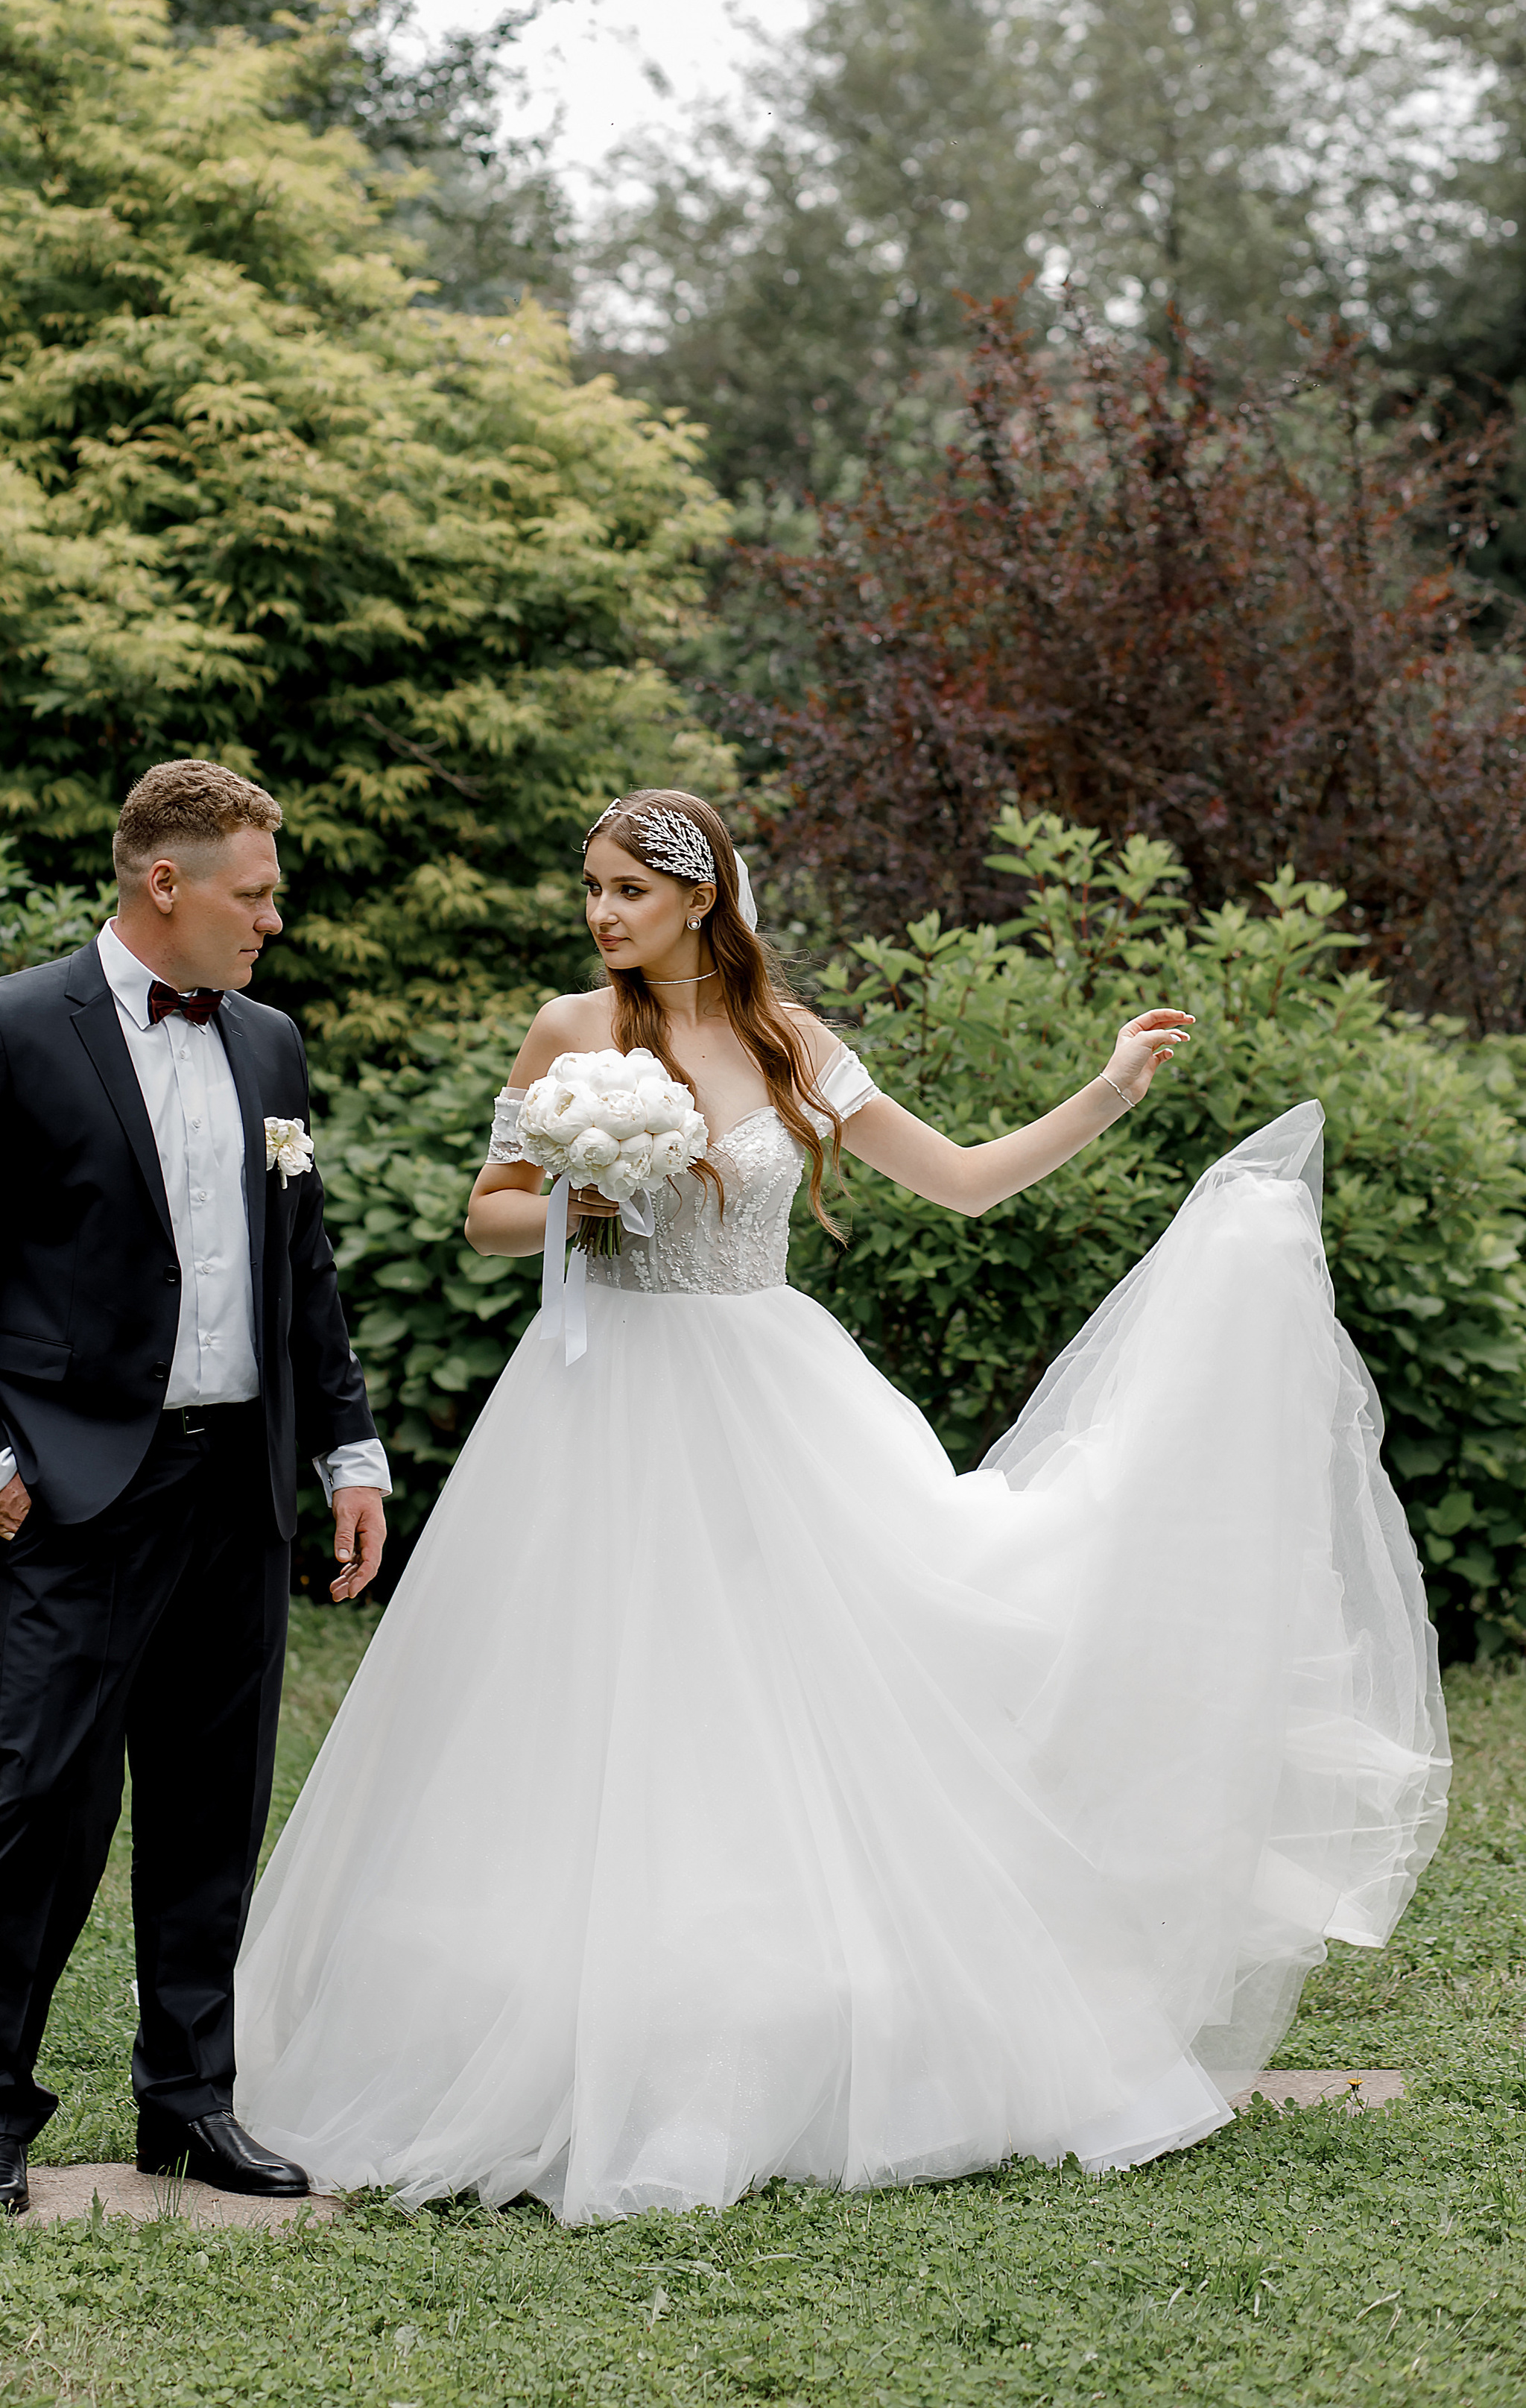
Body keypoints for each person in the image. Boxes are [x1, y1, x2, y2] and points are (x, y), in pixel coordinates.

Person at [232, 787, 1449, 2225]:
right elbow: (490, 1210)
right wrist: (583, 1196)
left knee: (810, 1692)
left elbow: (970, 1185)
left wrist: (1112, 1086)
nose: (601, 913)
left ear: (701, 900)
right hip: (597, 1407)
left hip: (767, 1401)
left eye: (627, 889)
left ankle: (805, 1996)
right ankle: (580, 2006)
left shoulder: (787, 1042)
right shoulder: (572, 1032)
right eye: (592, 887)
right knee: (589, 1699)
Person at [0, 760, 389, 2215]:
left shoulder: (271, 1048)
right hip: (76, 1489)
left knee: (211, 1807)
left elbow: (301, 1271)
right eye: (255, 891)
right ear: (164, 884)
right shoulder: (6, 1029)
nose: (271, 920)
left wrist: (344, 1451)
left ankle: (189, 2103)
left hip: (239, 1486)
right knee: (44, 1800)